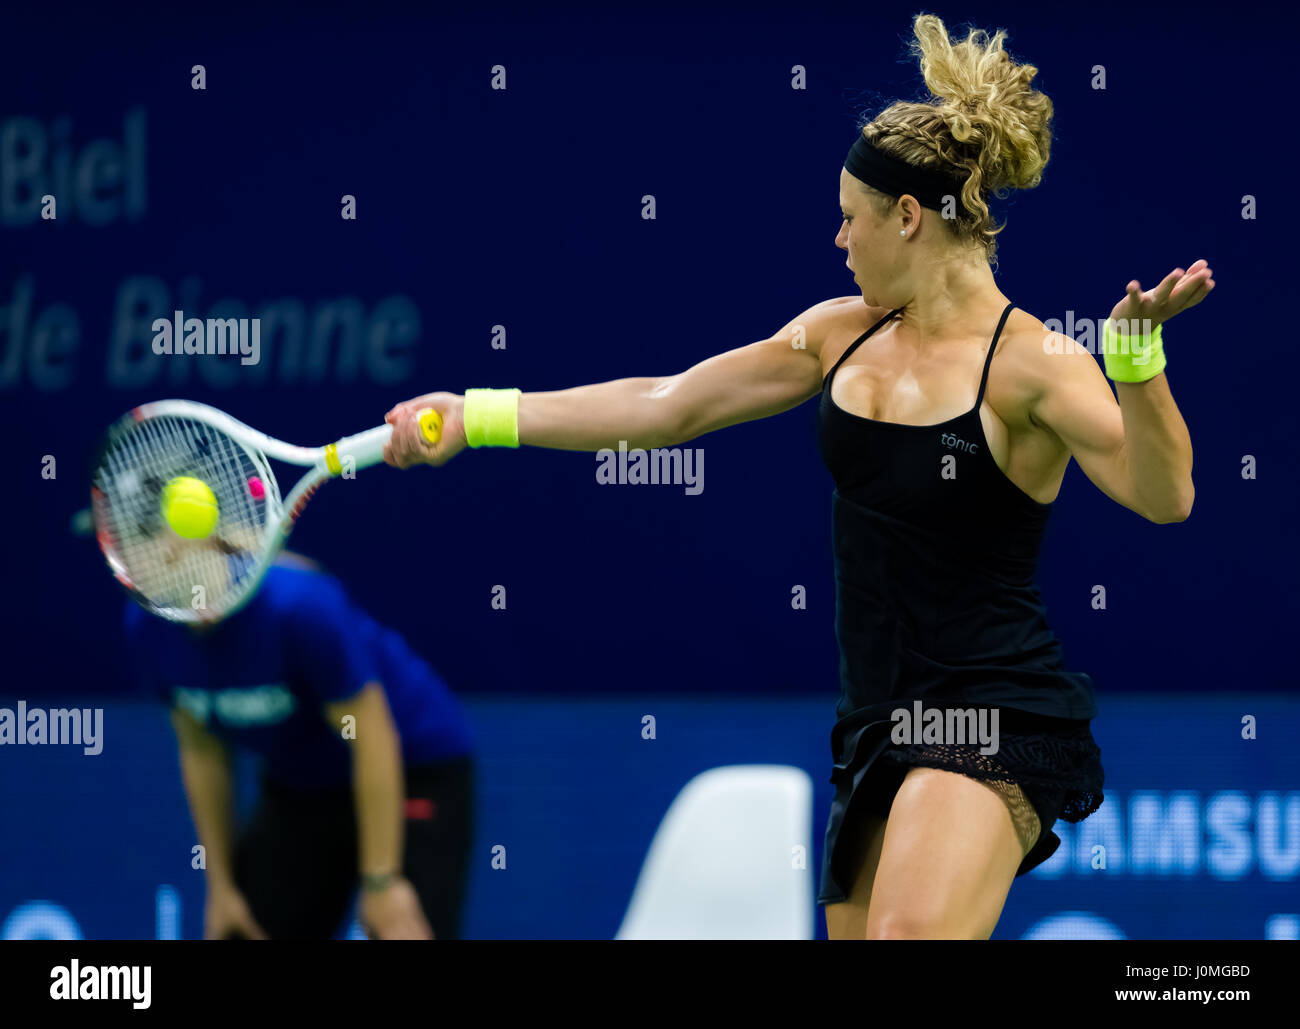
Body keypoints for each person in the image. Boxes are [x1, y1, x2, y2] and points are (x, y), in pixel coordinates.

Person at [379, 13, 1211, 939]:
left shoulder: (1035, 365)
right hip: (874, 719)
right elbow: (668, 405)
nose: (838, 239)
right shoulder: (836, 332)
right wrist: (480, 414)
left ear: (907, 217)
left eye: (851, 217)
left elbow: (1162, 493)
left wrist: (1136, 362)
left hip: (991, 712)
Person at [122, 552, 475, 940]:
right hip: (302, 786)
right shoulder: (147, 627)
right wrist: (221, 887)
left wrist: (381, 882)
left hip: (413, 767)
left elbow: (371, 739)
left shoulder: (299, 606)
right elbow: (202, 751)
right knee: (240, 930)